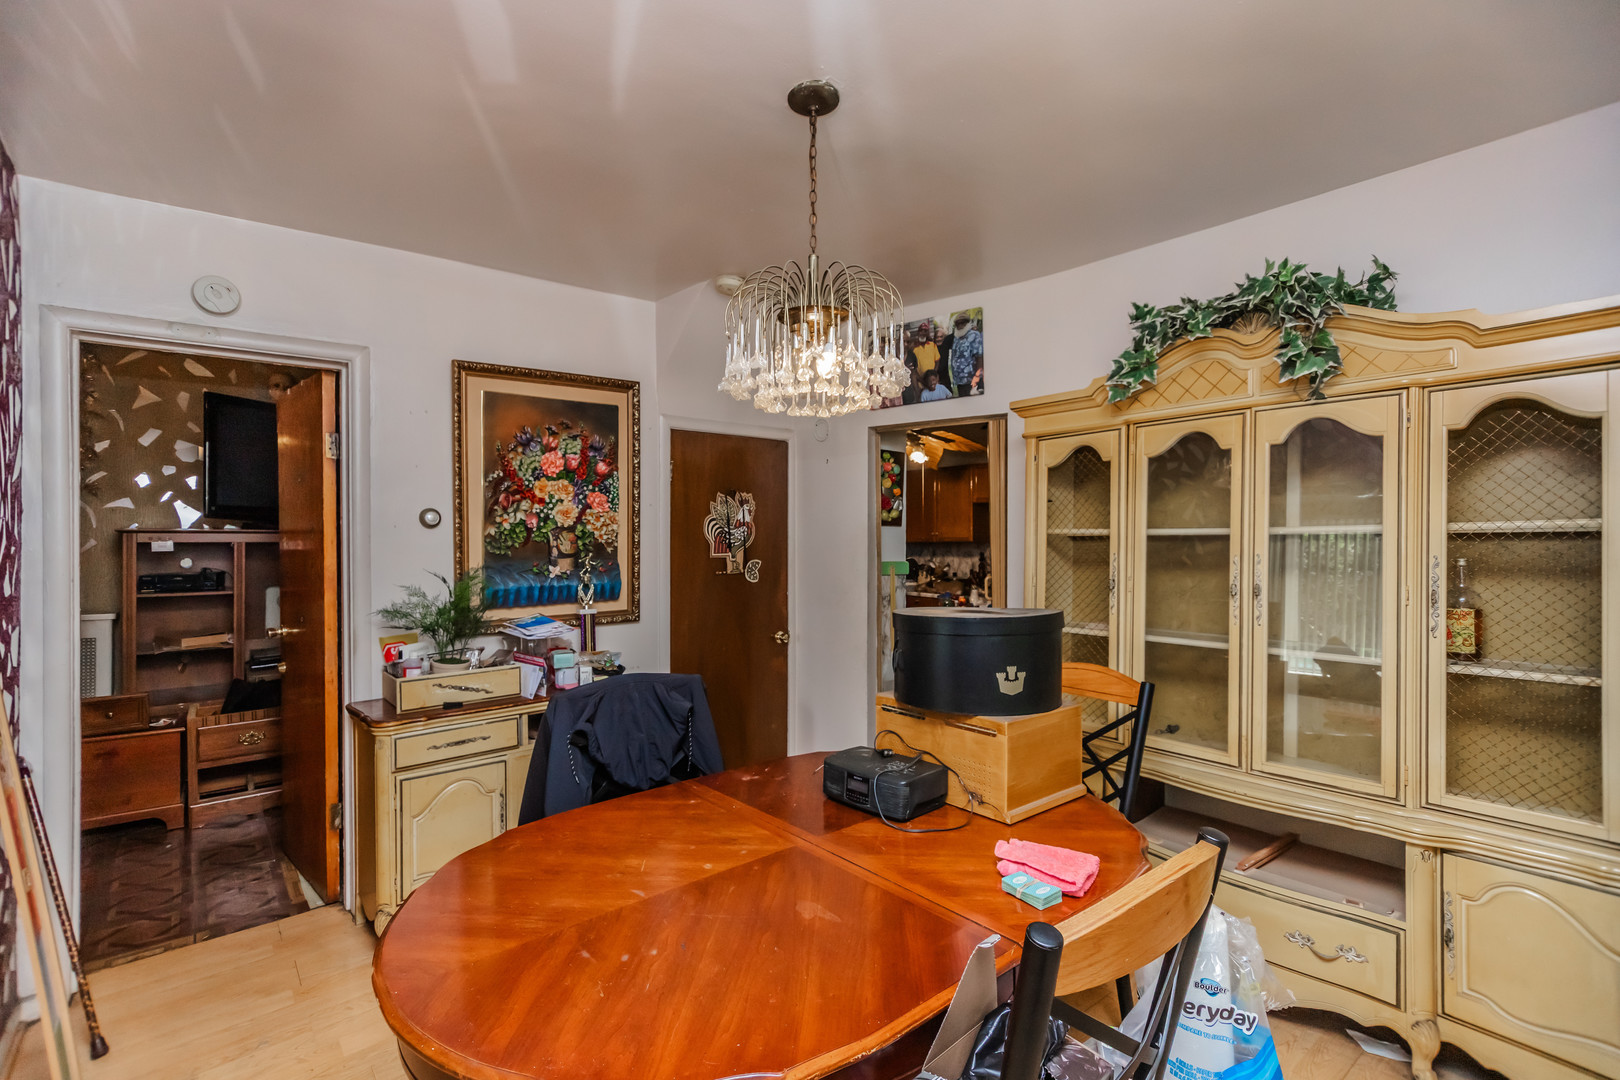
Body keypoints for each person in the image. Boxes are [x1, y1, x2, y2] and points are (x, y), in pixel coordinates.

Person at [946, 313, 983, 395]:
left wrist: (977, 378)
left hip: (971, 381)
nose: (960, 326)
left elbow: (979, 357)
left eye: (963, 323)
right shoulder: (956, 338)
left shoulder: (974, 335)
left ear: (967, 323)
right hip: (959, 382)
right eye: (958, 324)